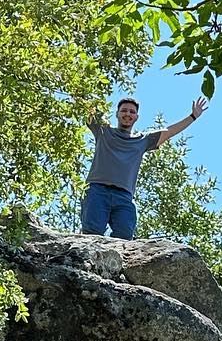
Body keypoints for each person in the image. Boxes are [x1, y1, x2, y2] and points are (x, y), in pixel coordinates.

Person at [81, 95, 208, 239]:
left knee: (125, 235)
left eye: (131, 112)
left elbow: (169, 131)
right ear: (117, 114)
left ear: (137, 117)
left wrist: (193, 116)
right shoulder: (104, 131)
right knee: (92, 235)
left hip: (124, 196)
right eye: (124, 111)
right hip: (97, 191)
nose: (127, 114)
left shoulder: (142, 140)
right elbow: (86, 105)